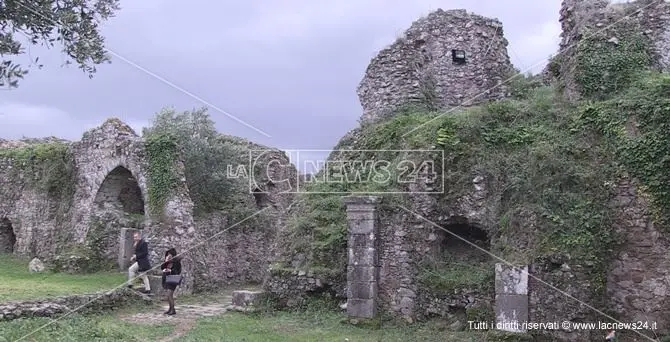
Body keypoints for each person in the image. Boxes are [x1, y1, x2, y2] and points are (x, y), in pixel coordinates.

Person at [161, 248, 182, 315]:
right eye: (168, 255)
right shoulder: (167, 261)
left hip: (172, 279)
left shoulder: (176, 262)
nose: (169, 256)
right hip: (167, 279)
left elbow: (177, 271)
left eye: (170, 254)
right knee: (168, 296)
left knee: (169, 295)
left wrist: (170, 271)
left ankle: (173, 310)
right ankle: (170, 309)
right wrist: (166, 261)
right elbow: (162, 267)